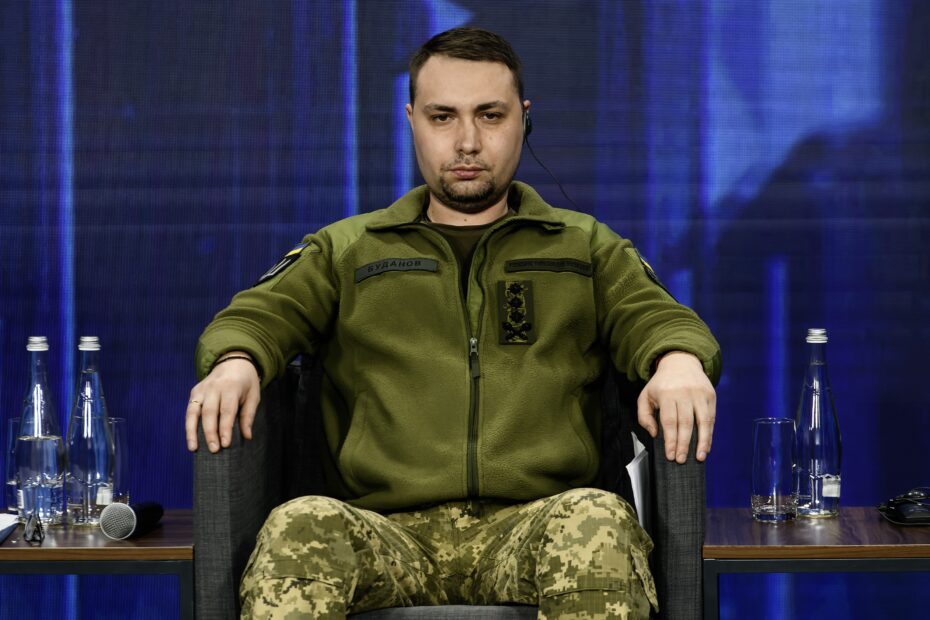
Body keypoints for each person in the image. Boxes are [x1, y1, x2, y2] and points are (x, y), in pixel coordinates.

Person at [186, 27, 720, 619]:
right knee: (299, 524)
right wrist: (236, 360)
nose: (467, 142)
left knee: (597, 520)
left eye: (490, 115)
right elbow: (257, 315)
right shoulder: (348, 249)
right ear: (412, 120)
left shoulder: (582, 246)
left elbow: (657, 316)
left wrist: (678, 359)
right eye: (443, 117)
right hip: (384, 532)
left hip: (539, 525)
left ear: (523, 118)